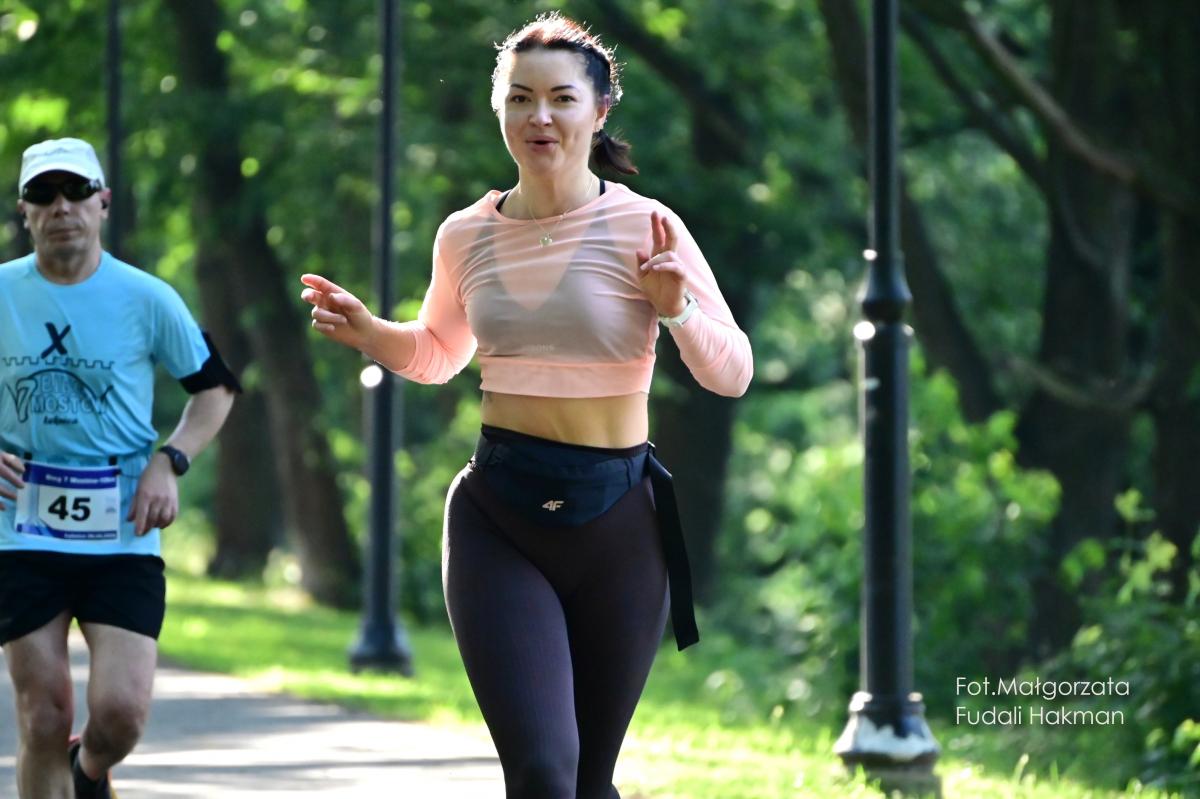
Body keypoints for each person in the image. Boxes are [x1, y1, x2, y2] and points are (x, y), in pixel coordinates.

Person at [302, 12, 752, 798]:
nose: (539, 116)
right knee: (543, 770)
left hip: (620, 521)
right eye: (520, 98)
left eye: (561, 98)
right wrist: (374, 333)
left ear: (599, 110)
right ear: (499, 109)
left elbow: (733, 374)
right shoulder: (464, 235)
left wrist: (677, 310)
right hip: (499, 517)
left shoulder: (647, 226)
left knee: (589, 781)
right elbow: (439, 352)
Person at [0, 137, 240, 799]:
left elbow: (216, 388)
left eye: (77, 192)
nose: (62, 207)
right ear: (24, 209)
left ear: (103, 202)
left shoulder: (146, 297)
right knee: (42, 714)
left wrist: (170, 460)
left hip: (122, 529)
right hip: (20, 527)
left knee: (121, 715)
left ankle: (88, 771)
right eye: (44, 194)